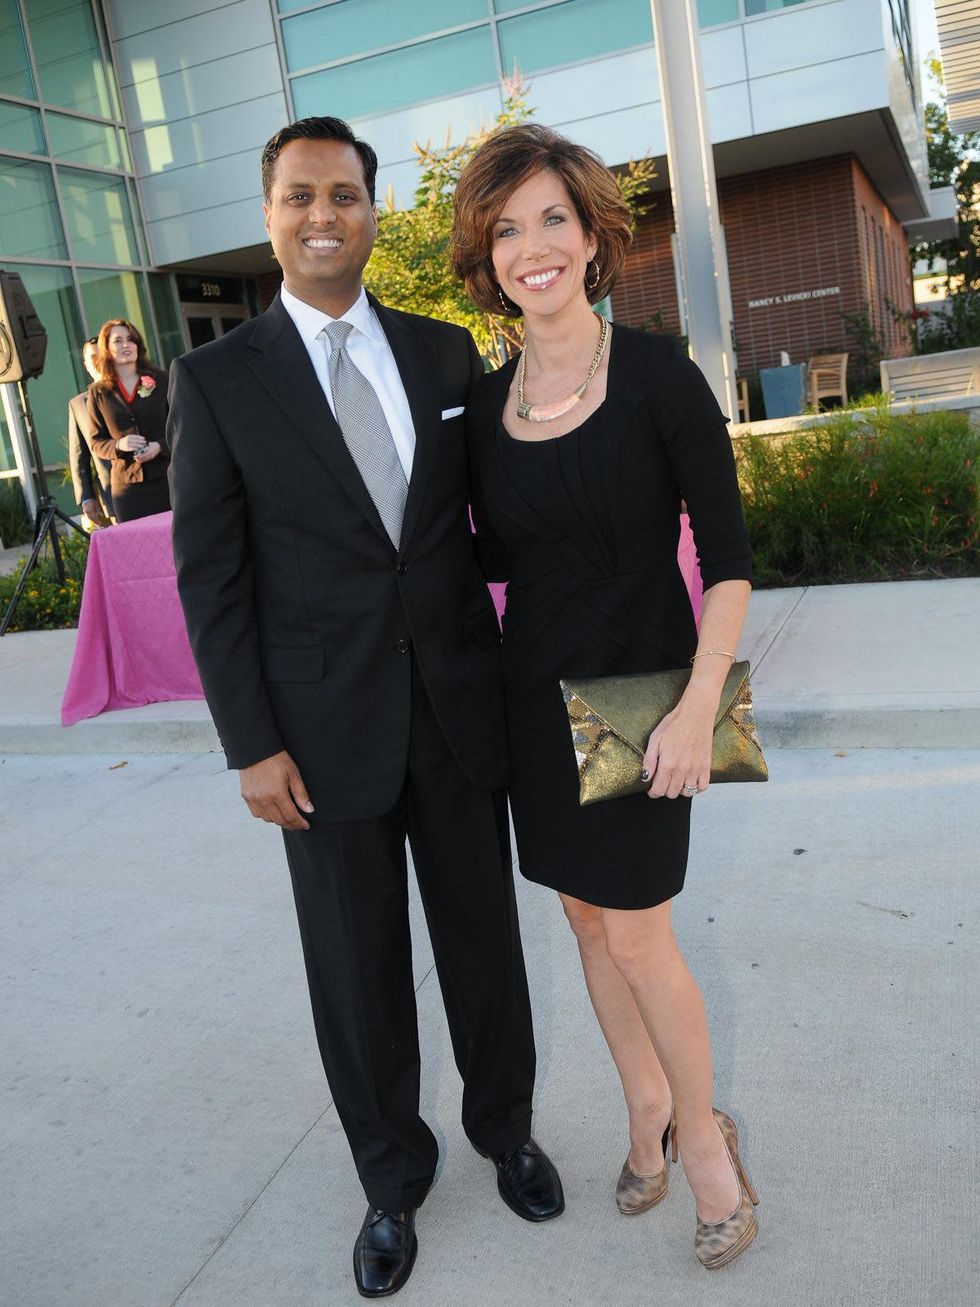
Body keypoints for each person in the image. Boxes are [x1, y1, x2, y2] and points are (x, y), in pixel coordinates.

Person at [167, 115, 562, 1300]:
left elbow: (495, 522)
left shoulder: (442, 356)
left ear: (372, 211)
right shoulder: (216, 380)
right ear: (269, 214)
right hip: (318, 734)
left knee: (483, 943)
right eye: (299, 195)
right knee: (356, 968)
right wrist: (251, 744)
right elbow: (210, 578)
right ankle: (390, 1177)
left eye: (342, 193)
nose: (322, 215)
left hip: (456, 709)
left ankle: (505, 1131)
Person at [451, 124, 760, 1271]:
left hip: (644, 698)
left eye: (551, 219)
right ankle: (645, 1107)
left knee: (636, 930)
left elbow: (727, 561)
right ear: (486, 258)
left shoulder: (660, 377)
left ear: (590, 236)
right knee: (582, 920)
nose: (531, 246)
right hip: (532, 699)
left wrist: (696, 705)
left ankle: (705, 1142)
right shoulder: (483, 409)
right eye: (506, 228)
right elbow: (487, 559)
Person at [87, 319, 170, 523]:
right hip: (127, 490)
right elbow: (96, 442)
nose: (126, 345)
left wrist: (159, 446)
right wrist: (119, 445)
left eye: (131, 339)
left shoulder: (162, 380)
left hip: (167, 480)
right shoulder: (98, 392)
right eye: (118, 340)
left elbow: (182, 426)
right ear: (106, 348)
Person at [67, 338, 113, 527]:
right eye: (92, 357)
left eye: (101, 355)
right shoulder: (78, 405)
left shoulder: (131, 389)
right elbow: (79, 456)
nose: (97, 361)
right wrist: (86, 497)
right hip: (112, 493)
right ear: (85, 364)